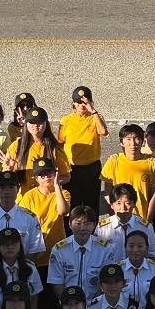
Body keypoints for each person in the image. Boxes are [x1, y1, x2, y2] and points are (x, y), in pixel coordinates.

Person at [102, 123, 155, 226]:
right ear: (121, 142)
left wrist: (148, 221)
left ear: (142, 141)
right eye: (128, 139)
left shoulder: (151, 162)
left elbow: (154, 194)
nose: (133, 143)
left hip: (141, 219)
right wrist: (113, 216)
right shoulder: (113, 161)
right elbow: (108, 193)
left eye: (137, 138)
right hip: (119, 218)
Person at [47, 206, 114, 302]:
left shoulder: (104, 248)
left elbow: (107, 281)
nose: (82, 228)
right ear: (70, 224)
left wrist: (94, 304)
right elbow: (56, 283)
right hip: (69, 305)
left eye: (87, 224)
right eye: (78, 223)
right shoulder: (59, 250)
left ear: (94, 225)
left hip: (96, 303)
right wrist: (70, 304)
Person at [59, 86, 108, 214]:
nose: (82, 105)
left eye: (85, 102)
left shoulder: (95, 117)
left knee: (91, 205)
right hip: (72, 169)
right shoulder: (66, 121)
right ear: (73, 103)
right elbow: (60, 143)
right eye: (78, 102)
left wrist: (93, 111)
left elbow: (103, 131)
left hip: (91, 168)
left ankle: (92, 232)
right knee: (73, 204)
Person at [0, 228, 43, 309]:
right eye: (5, 244)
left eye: (14, 243)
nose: (10, 247)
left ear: (20, 245)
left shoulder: (31, 268)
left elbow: (34, 301)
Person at [96, 183, 155, 260]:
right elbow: (96, 255)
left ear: (134, 204)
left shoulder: (145, 227)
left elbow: (152, 255)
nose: (123, 208)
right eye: (118, 203)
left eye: (127, 203)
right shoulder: (102, 228)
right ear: (111, 205)